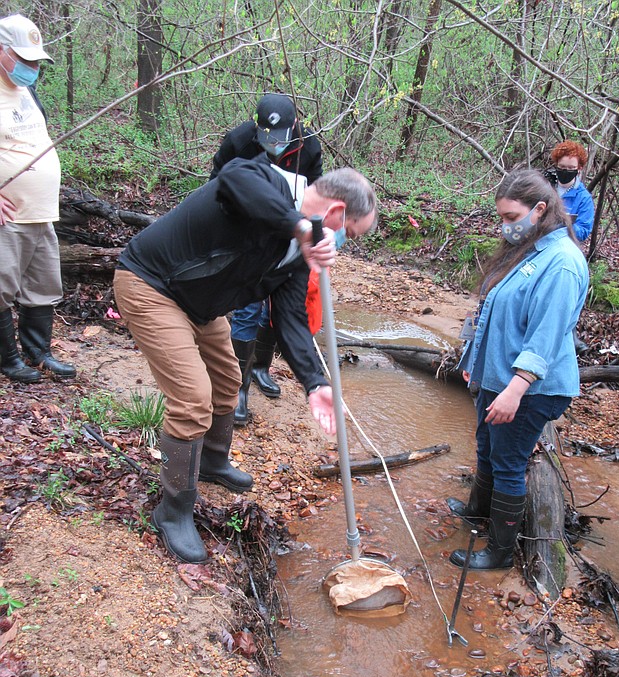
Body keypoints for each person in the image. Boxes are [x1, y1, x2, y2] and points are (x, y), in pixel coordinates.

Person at [113, 155, 377, 563]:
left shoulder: (295, 256)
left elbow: (289, 321)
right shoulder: (265, 181)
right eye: (350, 235)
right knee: (192, 398)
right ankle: (173, 511)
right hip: (151, 285)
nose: (343, 244)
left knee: (226, 381)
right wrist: (303, 227)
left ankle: (213, 461)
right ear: (337, 213)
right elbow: (233, 179)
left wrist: (315, 383)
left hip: (201, 306)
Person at [447, 169, 588, 571]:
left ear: (540, 210)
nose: (505, 226)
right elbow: (493, 312)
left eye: (511, 217)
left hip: (530, 387)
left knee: (509, 461)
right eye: (502, 218)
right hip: (498, 376)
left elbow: (545, 335)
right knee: (488, 448)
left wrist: (516, 388)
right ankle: (478, 512)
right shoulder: (531, 248)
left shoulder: (561, 264)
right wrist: (473, 363)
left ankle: (501, 552)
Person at [210, 93, 323, 425]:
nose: (272, 143)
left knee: (279, 308)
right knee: (247, 308)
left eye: (280, 137)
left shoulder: (309, 148)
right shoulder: (240, 140)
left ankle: (260, 367)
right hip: (246, 233)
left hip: (288, 233)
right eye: (266, 135)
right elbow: (217, 184)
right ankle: (239, 388)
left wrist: (309, 240)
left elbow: (313, 197)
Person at [0, 14, 76, 383]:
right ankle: (7, 358)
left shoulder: (26, 91)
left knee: (42, 285)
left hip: (40, 212)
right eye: (23, 59)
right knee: (1, 286)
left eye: (35, 61)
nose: (31, 67)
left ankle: (38, 352)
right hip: (8, 216)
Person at [547, 140, 595, 353]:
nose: (565, 172)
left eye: (570, 169)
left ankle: (569, 333)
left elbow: (585, 229)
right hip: (539, 244)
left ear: (579, 169)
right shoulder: (545, 187)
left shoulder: (583, 197)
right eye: (562, 168)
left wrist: (563, 226)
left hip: (566, 247)